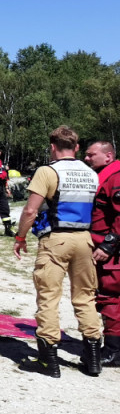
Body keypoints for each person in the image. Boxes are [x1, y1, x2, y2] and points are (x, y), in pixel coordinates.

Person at [13, 126, 101, 378]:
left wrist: (20, 237)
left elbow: (30, 210)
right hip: (85, 238)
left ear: (52, 146)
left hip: (56, 238)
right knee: (85, 297)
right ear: (76, 147)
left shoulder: (47, 171)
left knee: (49, 296)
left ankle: (47, 358)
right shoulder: (91, 173)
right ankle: (93, 357)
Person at [84, 141, 120, 367]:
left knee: (111, 297)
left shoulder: (115, 177)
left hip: (111, 252)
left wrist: (109, 244)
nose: (87, 158)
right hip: (106, 246)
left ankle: (114, 351)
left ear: (108, 156)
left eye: (91, 155)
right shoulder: (106, 176)